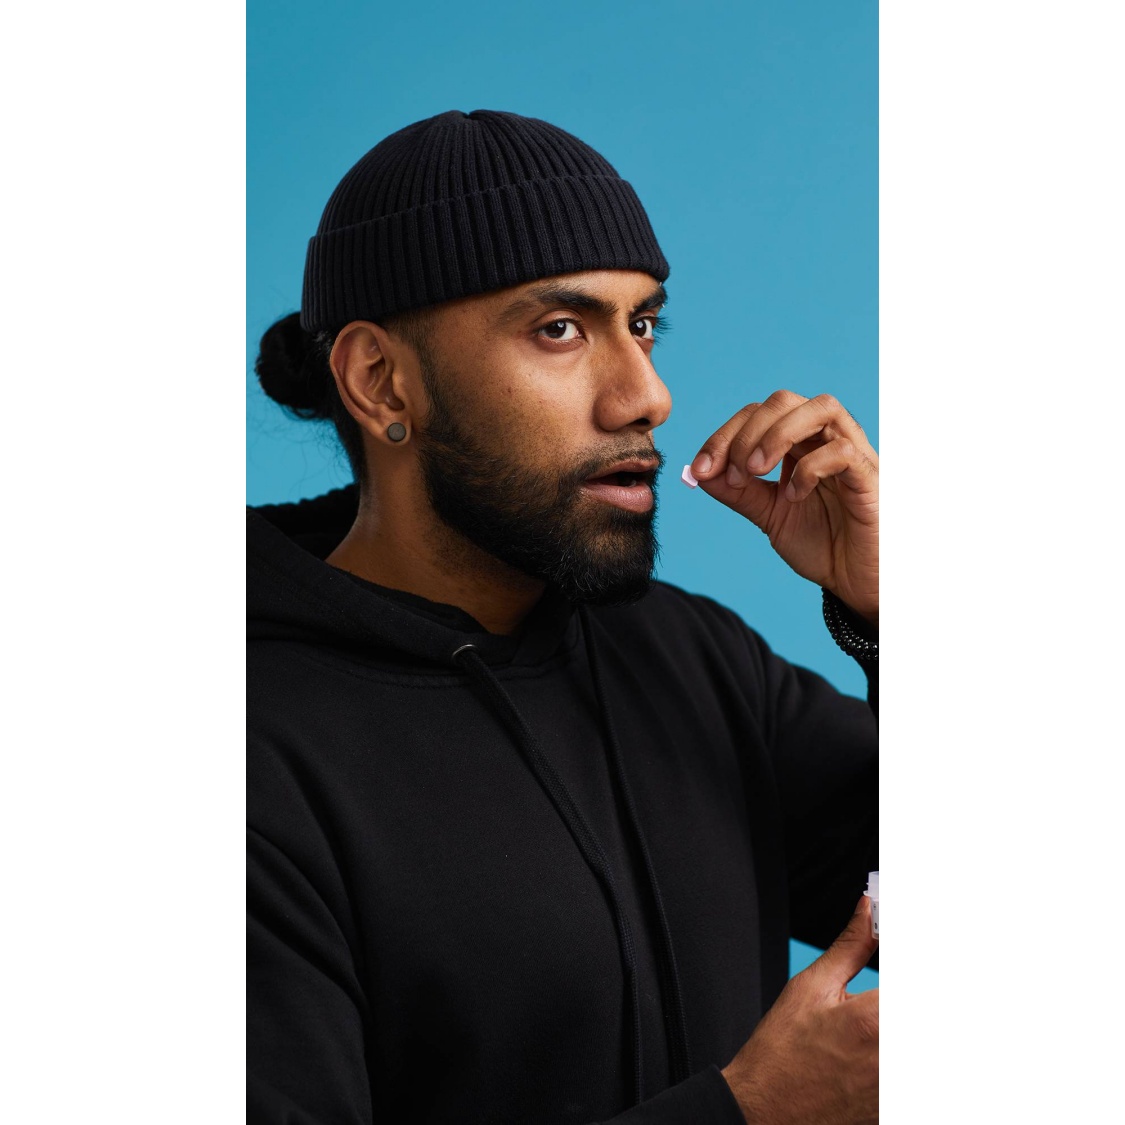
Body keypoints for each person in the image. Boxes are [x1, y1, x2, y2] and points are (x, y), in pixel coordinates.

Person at [248, 109, 879, 1124]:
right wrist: (747, 1114)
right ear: (380, 381)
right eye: (559, 330)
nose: (647, 395)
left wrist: (889, 614)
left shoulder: (688, 657)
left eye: (643, 325)